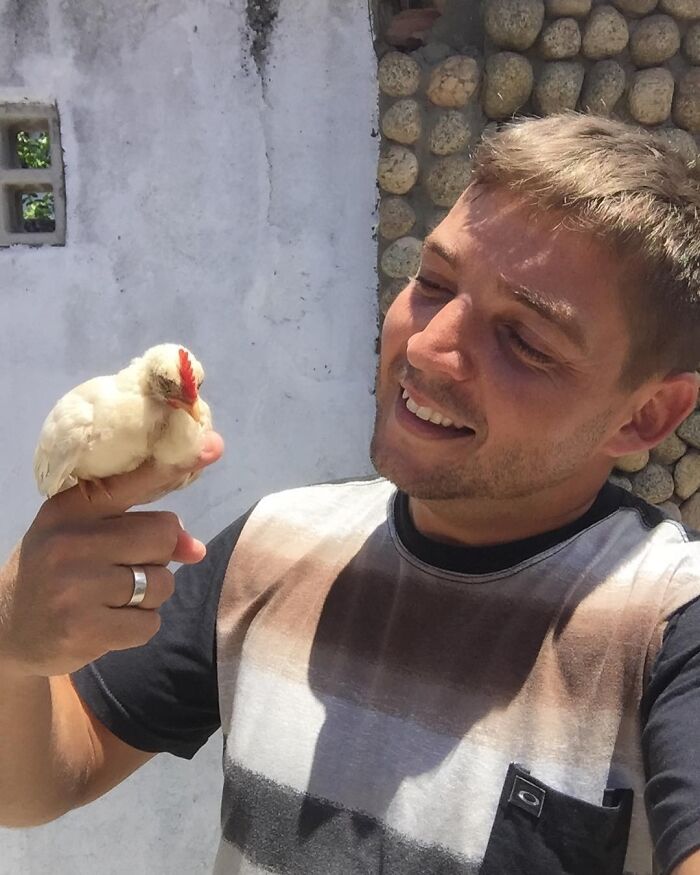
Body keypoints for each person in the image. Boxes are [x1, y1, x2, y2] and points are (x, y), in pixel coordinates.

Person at [1, 112, 699, 875]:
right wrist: (13, 647)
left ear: (646, 415)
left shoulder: (669, 629)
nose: (428, 347)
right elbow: (40, 782)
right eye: (432, 283)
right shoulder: (274, 544)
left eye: (526, 341)